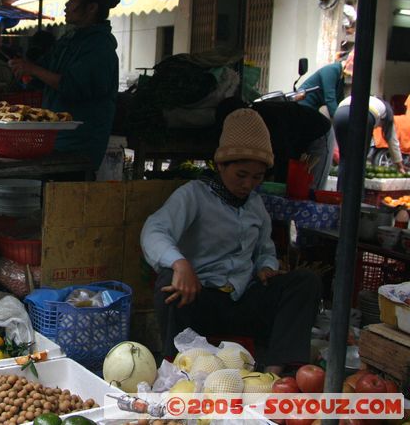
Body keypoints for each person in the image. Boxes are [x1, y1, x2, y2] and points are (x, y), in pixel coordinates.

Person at [141, 109, 321, 373]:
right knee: (169, 282)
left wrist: (266, 266)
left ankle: (276, 373)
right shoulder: (193, 195)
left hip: (243, 301)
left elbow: (264, 249)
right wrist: (180, 264)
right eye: (241, 174)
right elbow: (153, 230)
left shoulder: (256, 205)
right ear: (221, 165)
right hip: (202, 302)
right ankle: (175, 370)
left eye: (257, 178)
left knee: (305, 282)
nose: (248, 184)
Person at [9, 0, 121, 170]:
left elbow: (72, 85)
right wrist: (25, 68)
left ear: (91, 8)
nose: (67, 5)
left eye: (73, 0)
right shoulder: (70, 41)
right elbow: (45, 70)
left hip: (79, 144)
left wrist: (32, 69)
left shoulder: (99, 47)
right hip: (55, 138)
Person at [296, 51, 349, 189]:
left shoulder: (341, 77)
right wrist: (339, 123)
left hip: (313, 112)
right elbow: (330, 99)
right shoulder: (331, 70)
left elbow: (339, 100)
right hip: (303, 109)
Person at [334, 95, 405, 191]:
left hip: (339, 114)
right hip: (363, 115)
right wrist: (399, 164)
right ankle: (356, 198)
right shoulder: (386, 111)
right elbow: (392, 140)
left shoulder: (367, 99)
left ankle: (341, 195)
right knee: (359, 160)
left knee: (345, 159)